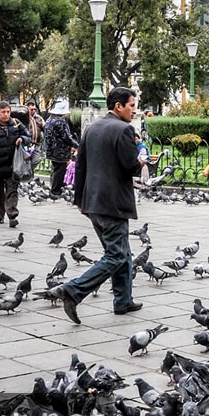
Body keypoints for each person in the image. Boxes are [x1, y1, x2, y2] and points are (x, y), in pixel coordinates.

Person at [60, 87, 147, 324]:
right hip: (113, 202)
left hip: (92, 201)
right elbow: (130, 167)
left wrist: (79, 199)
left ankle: (123, 300)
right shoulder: (124, 130)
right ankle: (73, 290)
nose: (134, 110)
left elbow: (80, 165)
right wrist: (141, 160)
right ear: (118, 106)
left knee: (123, 252)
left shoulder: (92, 128)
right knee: (117, 255)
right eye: (131, 105)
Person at [43, 110, 79, 197]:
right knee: (60, 170)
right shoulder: (60, 122)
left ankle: (54, 188)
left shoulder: (49, 120)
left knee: (55, 169)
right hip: (60, 150)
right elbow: (66, 137)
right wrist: (77, 145)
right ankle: (56, 191)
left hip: (51, 150)